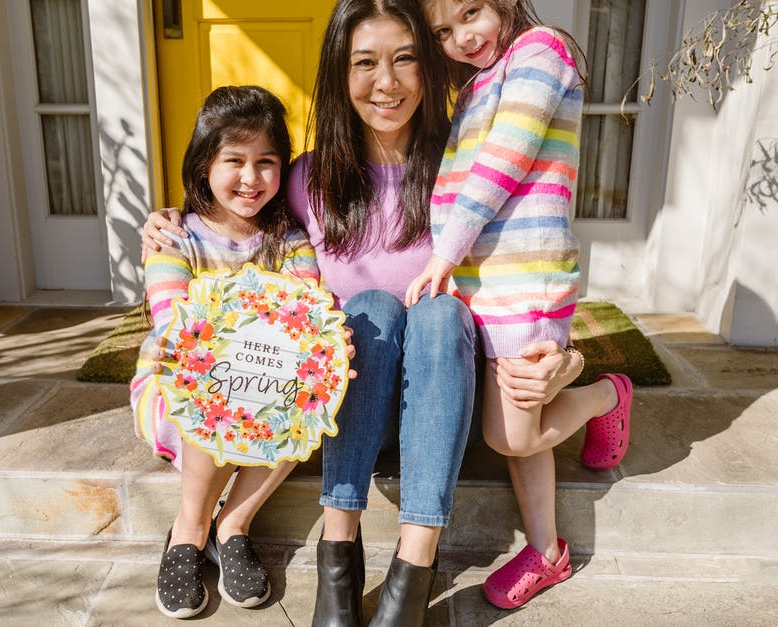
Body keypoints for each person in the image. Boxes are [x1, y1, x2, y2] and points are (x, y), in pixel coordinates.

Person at [142, 1, 582, 624]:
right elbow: (231, 228)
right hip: (355, 405)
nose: (387, 82)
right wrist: (166, 224)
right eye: (365, 63)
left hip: (443, 396)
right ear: (338, 76)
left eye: (405, 59)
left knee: (437, 312)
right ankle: (338, 552)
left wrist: (567, 357)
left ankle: (413, 569)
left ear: (430, 66)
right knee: (371, 308)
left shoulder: (466, 166)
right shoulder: (305, 181)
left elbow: (530, 263)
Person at [405, 0, 634, 610]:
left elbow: (503, 162)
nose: (461, 37)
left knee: (511, 435)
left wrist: (443, 256)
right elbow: (452, 180)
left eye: (471, 12)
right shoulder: (478, 82)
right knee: (523, 422)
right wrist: (451, 262)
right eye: (444, 32)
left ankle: (608, 395)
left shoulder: (541, 52)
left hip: (527, 279)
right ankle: (546, 549)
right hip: (480, 280)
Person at [129, 85, 323, 620]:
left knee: (313, 399)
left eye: (267, 162)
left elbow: (307, 316)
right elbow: (173, 325)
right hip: (179, 384)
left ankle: (233, 522)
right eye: (234, 160)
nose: (251, 177)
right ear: (203, 163)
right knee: (210, 393)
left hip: (265, 389)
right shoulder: (176, 238)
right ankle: (187, 532)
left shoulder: (291, 242)